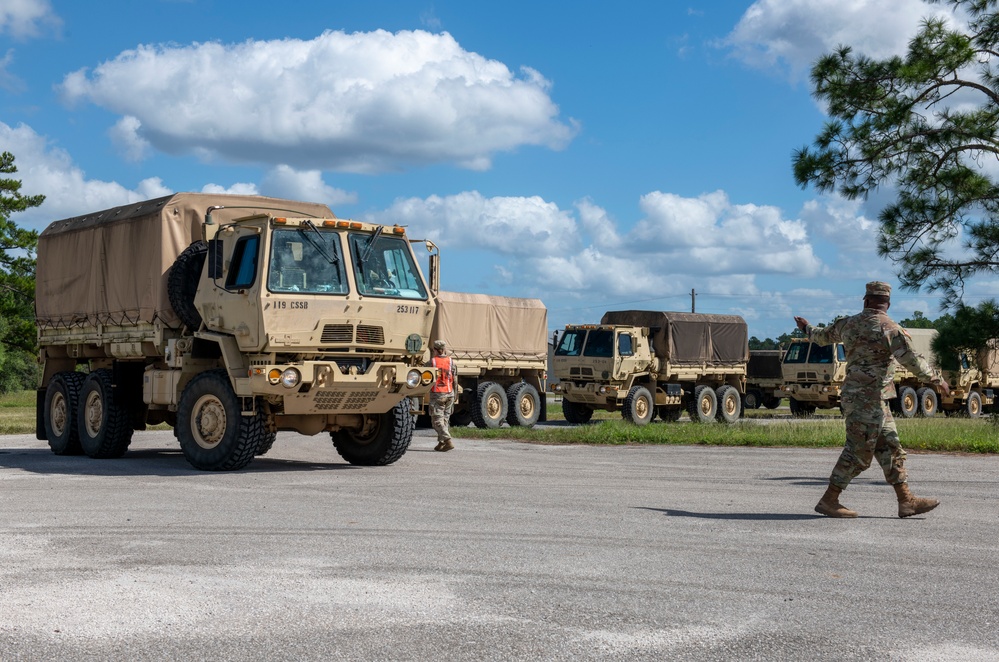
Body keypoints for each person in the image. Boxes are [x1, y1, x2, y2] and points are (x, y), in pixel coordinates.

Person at [794, 281, 951, 519]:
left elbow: (822, 336)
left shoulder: (848, 324)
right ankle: (829, 500)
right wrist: (937, 379)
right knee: (858, 452)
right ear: (887, 303)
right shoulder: (890, 328)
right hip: (870, 400)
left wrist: (806, 328)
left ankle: (906, 500)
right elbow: (910, 359)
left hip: (863, 399)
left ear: (866, 300)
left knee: (890, 448)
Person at [428, 339, 458, 452]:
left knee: (436, 421)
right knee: (445, 420)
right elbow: (455, 379)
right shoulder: (451, 361)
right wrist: (455, 395)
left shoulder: (432, 362)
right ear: (444, 349)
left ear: (435, 350)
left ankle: (447, 440)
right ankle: (441, 443)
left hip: (438, 394)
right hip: (450, 393)